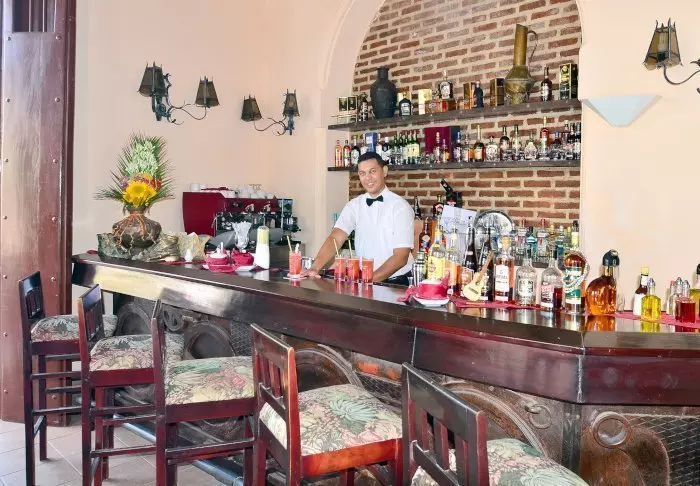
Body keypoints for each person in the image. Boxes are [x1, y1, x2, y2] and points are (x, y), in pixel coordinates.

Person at [301, 152, 414, 285]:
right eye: (362, 173)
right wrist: (315, 268)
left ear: (384, 171)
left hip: (397, 282)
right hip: (366, 279)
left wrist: (368, 280)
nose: (368, 178)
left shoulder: (400, 207)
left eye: (372, 171)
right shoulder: (354, 205)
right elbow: (335, 238)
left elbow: (401, 257)